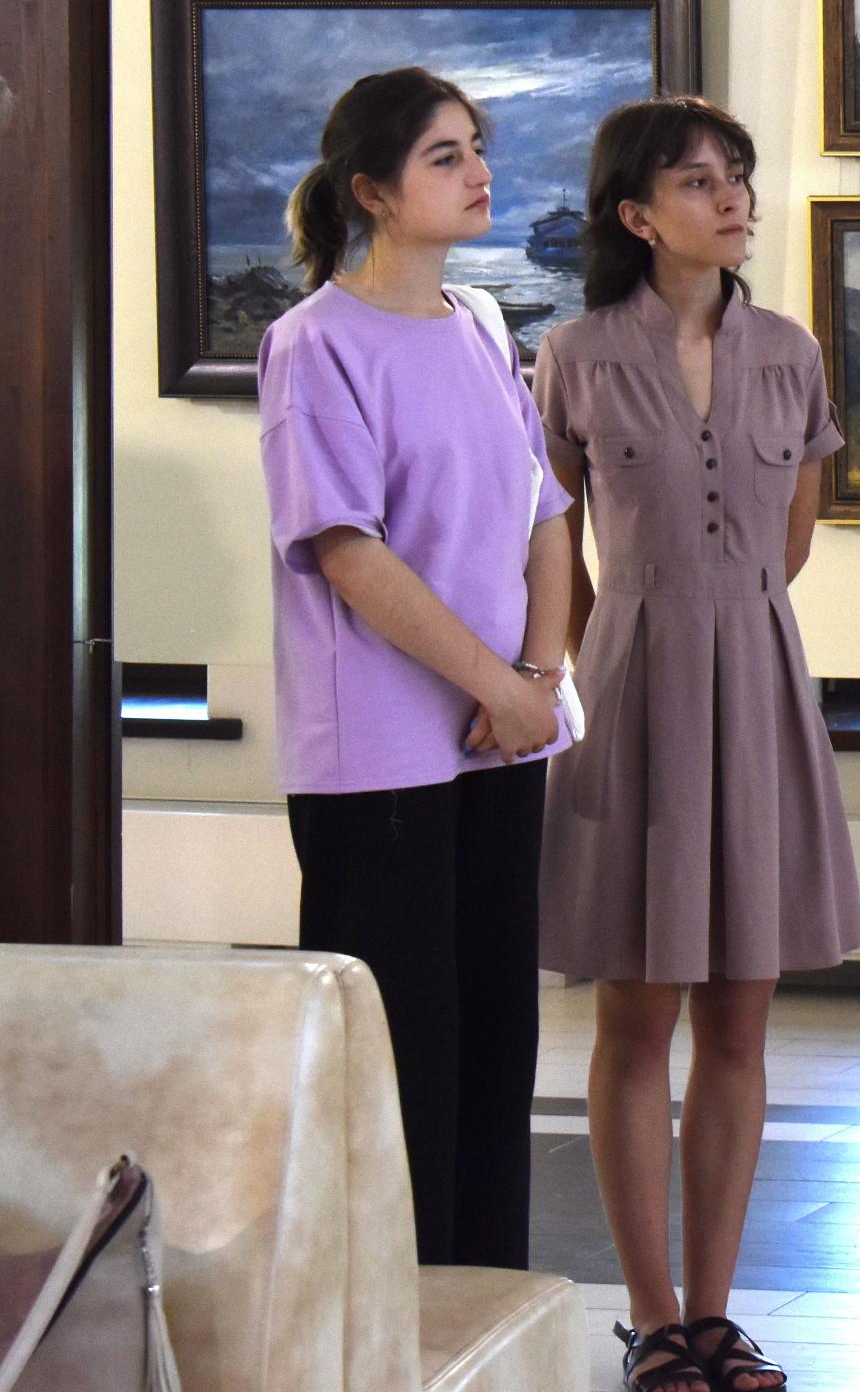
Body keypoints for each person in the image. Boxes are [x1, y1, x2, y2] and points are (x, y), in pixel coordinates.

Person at [532, 96, 860, 1392]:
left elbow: (791, 539)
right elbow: (550, 542)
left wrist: (729, 618)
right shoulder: (573, 354)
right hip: (630, 685)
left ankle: (716, 1316)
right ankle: (652, 1316)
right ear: (634, 213)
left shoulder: (789, 351)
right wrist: (583, 667)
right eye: (696, 180)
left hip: (760, 681)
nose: (731, 198)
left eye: (737, 175)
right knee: (636, 1011)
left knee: (739, 1016)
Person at [259, 66, 573, 1271]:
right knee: (400, 1072)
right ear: (372, 192)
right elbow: (348, 551)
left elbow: (546, 512)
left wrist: (534, 677)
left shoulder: (484, 323)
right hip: (381, 762)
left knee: (495, 1052)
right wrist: (496, 685)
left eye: (477, 146)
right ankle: (393, 1331)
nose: (480, 170)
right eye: (447, 155)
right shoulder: (313, 344)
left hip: (502, 740)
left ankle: (481, 1320)